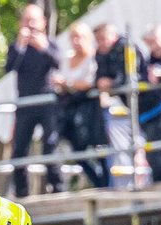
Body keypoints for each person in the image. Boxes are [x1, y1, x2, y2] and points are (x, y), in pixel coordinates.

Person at [6, 3, 63, 197]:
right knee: (20, 148)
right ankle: (21, 193)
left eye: (34, 20)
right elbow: (9, 68)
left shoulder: (51, 43)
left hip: (47, 102)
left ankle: (57, 188)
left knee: (50, 145)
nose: (30, 25)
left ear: (43, 23)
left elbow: (58, 62)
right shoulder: (16, 47)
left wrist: (44, 48)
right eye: (26, 20)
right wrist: (20, 46)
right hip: (25, 103)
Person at [53, 22, 107, 189]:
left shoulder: (93, 57)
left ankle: (104, 183)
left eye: (80, 37)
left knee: (98, 148)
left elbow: (89, 83)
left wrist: (68, 83)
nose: (77, 41)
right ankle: (98, 182)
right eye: (73, 37)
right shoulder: (67, 58)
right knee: (76, 149)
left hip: (90, 109)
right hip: (70, 109)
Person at [94, 24, 138, 186]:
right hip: (129, 105)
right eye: (97, 40)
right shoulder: (102, 53)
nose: (100, 43)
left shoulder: (125, 48)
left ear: (113, 36)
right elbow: (99, 78)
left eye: (102, 38)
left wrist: (110, 83)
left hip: (144, 104)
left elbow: (132, 75)